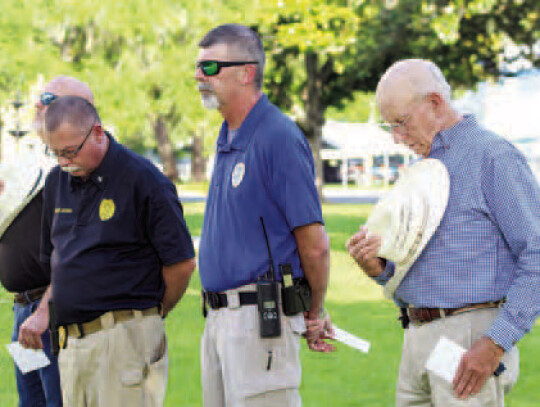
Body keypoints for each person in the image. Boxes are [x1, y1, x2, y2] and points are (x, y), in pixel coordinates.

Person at [347, 58, 540, 406]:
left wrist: (496, 342)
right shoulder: (423, 169)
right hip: (417, 337)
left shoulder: (493, 156)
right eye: (388, 126)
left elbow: (537, 254)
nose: (396, 137)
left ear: (434, 103)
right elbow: (423, 270)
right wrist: (380, 270)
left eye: (401, 123)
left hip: (470, 341)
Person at [195, 24, 334, 407]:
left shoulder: (277, 135)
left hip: (259, 322)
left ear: (246, 72)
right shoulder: (228, 135)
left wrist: (314, 311)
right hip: (220, 319)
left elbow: (315, 246)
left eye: (209, 68)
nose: (198, 77)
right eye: (197, 67)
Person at [37, 95, 195, 407]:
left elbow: (181, 264)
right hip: (71, 341)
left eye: (70, 152)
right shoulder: (56, 181)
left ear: (97, 132)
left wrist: (148, 315)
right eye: (56, 153)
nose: (64, 162)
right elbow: (56, 259)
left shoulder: (144, 180)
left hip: (124, 337)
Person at [1, 76, 94, 407]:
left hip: (52, 316)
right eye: (39, 97)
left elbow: (77, 253)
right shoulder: (36, 164)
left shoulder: (80, 168)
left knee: (59, 401)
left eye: (49, 97)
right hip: (24, 315)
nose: (38, 103)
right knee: (32, 403)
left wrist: (43, 312)